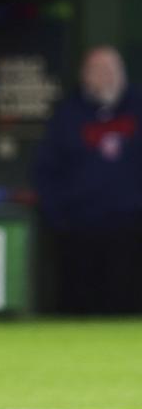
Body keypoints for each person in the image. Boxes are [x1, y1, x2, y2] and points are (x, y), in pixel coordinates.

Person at [35, 46, 142, 313]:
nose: (107, 76)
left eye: (112, 70)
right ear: (85, 76)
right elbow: (44, 171)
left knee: (128, 307)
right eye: (99, 70)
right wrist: (58, 217)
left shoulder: (138, 107)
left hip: (132, 231)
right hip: (79, 230)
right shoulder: (66, 115)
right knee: (78, 306)